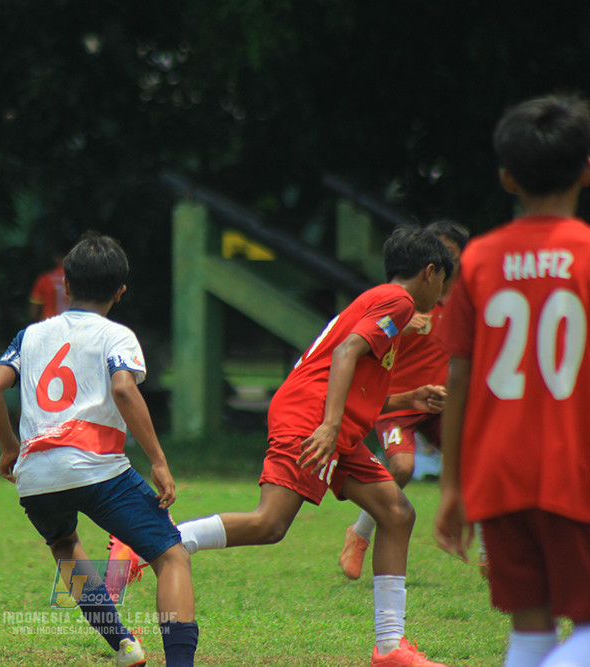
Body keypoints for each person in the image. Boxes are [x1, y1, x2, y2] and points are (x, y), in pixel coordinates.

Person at [112, 225, 454, 666]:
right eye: (443, 282)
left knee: (396, 512)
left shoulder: (380, 301)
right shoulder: (400, 302)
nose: (442, 294)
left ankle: (390, 648)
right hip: (312, 421)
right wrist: (329, 425)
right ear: (429, 272)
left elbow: (345, 373)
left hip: (331, 425)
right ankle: (153, 541)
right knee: (268, 524)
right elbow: (347, 352)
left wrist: (406, 399)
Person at [0, 231, 199, 667]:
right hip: (97, 468)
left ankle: (123, 644)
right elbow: (123, 387)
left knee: (64, 544)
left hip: (36, 475)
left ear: (65, 281)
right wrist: (158, 460)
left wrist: (9, 449)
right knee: (171, 555)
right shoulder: (117, 336)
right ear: (120, 291)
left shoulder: (30, 335)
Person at [434, 93, 590, 667]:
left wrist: (453, 484)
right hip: (575, 468)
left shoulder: (478, 259)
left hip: (498, 472)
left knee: (531, 629)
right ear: (587, 168)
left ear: (506, 177)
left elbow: (462, 375)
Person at [339, 220, 470, 581]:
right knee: (402, 468)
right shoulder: (400, 303)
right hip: (398, 400)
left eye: (451, 257)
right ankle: (360, 534)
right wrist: (401, 325)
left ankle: (492, 558)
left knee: (478, 465)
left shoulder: (464, 304)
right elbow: (355, 346)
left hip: (438, 400)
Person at [28, 241, 69, 321]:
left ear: (55, 258)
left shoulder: (43, 280)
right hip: (72, 327)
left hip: (49, 327)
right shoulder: (78, 279)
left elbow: (34, 312)